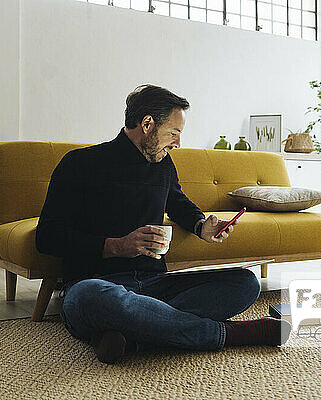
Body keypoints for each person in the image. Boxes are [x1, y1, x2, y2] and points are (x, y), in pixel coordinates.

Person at [36, 84, 291, 364]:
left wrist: (201, 225)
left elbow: (178, 202)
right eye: (174, 133)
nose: (178, 143)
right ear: (147, 124)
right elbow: (47, 237)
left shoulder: (163, 165)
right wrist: (117, 246)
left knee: (245, 283)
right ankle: (228, 335)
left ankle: (130, 337)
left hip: (155, 283)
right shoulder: (78, 164)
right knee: (88, 297)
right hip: (95, 283)